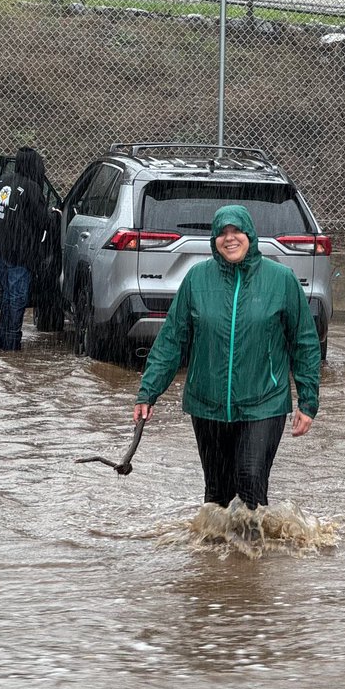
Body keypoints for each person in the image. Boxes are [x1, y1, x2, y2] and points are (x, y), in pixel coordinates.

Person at [133, 204, 321, 510]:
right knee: (217, 495)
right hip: (207, 403)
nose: (229, 239)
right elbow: (171, 339)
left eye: (237, 231)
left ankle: (251, 555)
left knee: (250, 482)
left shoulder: (280, 279)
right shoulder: (197, 279)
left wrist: (308, 401)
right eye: (222, 233)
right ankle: (215, 559)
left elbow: (305, 342)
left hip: (264, 402)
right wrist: (148, 392)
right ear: (213, 240)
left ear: (251, 235)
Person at [0, 146, 50, 351]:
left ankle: (1, 340)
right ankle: (12, 344)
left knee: (8, 294)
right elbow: (43, 222)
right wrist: (55, 215)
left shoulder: (2, 182)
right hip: (19, 253)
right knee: (17, 298)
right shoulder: (32, 189)